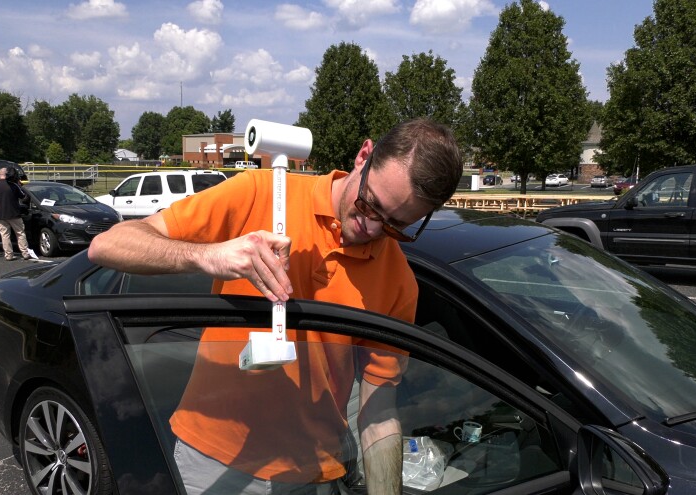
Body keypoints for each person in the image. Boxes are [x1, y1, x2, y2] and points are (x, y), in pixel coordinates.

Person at [88, 118, 463, 494]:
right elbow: (108, 245)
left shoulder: (398, 282)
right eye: (370, 205)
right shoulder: (259, 193)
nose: (372, 228)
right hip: (212, 459)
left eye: (396, 225)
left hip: (312, 473)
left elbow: (378, 412)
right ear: (363, 156)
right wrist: (209, 256)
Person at [0, 167, 32, 261]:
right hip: (14, 213)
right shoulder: (14, 185)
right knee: (20, 233)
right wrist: (19, 185)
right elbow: (23, 197)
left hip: (1, 214)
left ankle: (8, 255)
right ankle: (25, 253)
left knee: (5, 235)